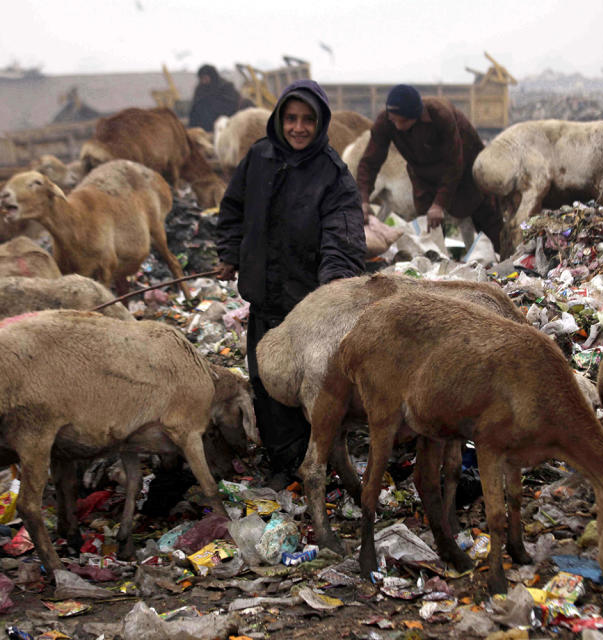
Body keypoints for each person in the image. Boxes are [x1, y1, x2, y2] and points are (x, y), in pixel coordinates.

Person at [215, 79, 366, 485]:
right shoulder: (259, 158)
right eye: (291, 118)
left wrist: (331, 291)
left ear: (320, 123)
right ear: (280, 119)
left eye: (307, 120)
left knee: (307, 388)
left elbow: (344, 239)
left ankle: (312, 462)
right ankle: (283, 464)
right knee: (265, 383)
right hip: (264, 299)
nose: (299, 128)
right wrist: (230, 254)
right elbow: (233, 209)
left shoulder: (333, 174)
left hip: (306, 309)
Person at [356, 84, 504, 252]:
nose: (397, 126)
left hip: (465, 168)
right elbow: (370, 161)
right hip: (423, 174)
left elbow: (454, 163)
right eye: (394, 120)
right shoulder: (386, 121)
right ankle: (435, 267)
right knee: (429, 229)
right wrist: (363, 199)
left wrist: (439, 204)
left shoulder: (441, 115)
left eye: (403, 121)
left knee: (486, 217)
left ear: (416, 116)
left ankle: (505, 261)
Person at [188, 64, 241, 132]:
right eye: (201, 79)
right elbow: (194, 109)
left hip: (223, 128)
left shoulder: (226, 87)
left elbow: (231, 107)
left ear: (212, 76)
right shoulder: (200, 89)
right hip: (203, 129)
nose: (203, 81)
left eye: (205, 78)